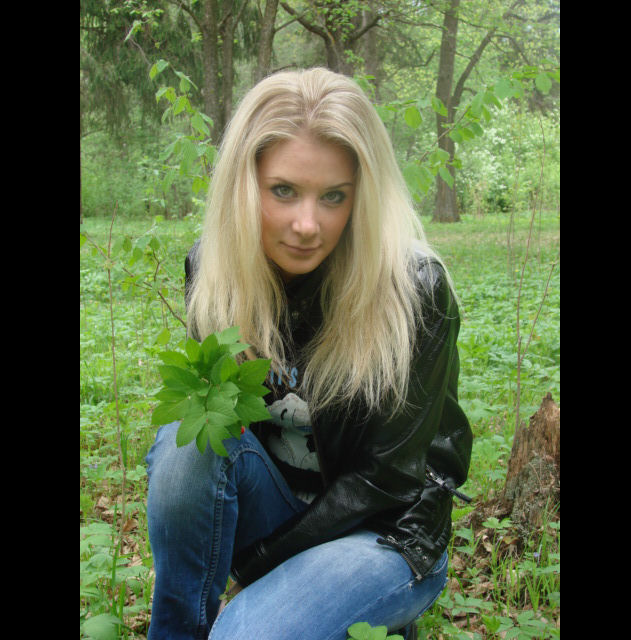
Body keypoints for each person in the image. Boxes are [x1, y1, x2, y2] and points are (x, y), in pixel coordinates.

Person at [145, 67, 473, 640]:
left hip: (385, 534)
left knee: (247, 634)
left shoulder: (414, 291)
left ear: (362, 196)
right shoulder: (216, 272)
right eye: (283, 190)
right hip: (277, 509)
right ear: (244, 185)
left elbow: (386, 481)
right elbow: (221, 435)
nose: (306, 225)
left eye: (333, 197)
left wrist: (260, 567)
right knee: (186, 440)